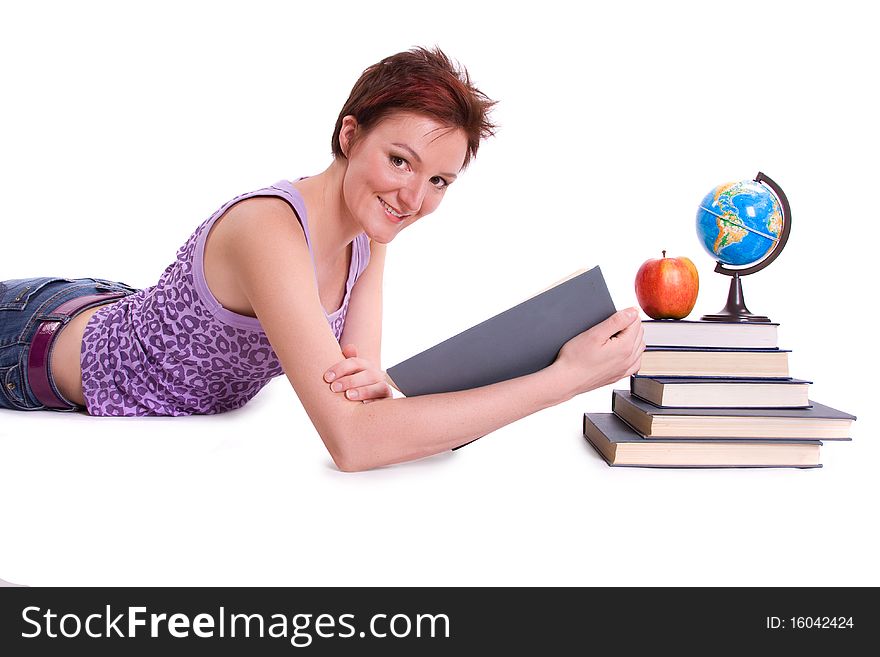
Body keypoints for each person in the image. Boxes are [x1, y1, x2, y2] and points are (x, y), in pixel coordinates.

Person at [0, 47, 644, 471]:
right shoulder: (269, 229)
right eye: (400, 161)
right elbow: (356, 441)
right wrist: (565, 379)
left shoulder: (370, 234)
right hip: (32, 342)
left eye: (440, 182)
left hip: (109, 304)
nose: (414, 198)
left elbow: (367, 397)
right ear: (349, 133)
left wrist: (378, 395)